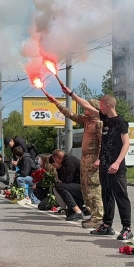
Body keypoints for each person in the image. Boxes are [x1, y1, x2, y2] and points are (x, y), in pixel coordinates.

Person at [65, 89, 131, 239]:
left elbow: (126, 143)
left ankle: (127, 228)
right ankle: (107, 225)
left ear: (108, 105)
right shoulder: (104, 119)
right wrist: (71, 93)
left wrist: (117, 162)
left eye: (101, 105)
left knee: (121, 196)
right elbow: (86, 106)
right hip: (105, 165)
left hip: (116, 166)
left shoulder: (120, 122)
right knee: (106, 195)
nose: (99, 108)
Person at [45, 90, 104, 228]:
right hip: (85, 158)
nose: (84, 109)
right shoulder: (86, 120)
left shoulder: (99, 123)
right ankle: (92, 215)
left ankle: (99, 217)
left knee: (93, 188)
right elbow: (69, 114)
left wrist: (99, 159)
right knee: (85, 189)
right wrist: (55, 103)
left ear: (93, 109)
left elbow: (102, 143)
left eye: (88, 107)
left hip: (94, 157)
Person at [49, 149, 87, 221]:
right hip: (79, 186)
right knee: (69, 214)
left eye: (55, 161)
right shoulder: (67, 161)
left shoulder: (69, 162)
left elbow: (67, 180)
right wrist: (59, 169)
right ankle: (82, 209)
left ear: (57, 158)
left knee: (59, 186)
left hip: (83, 187)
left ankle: (78, 211)